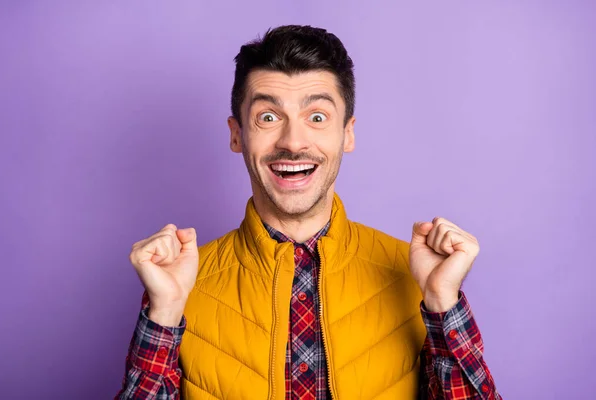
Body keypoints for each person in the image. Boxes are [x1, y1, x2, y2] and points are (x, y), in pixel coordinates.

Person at [115, 25, 501, 400]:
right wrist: (163, 314)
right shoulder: (183, 285)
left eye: (317, 117)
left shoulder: (416, 276)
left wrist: (442, 303)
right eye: (268, 117)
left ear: (347, 133)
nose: (293, 142)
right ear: (237, 135)